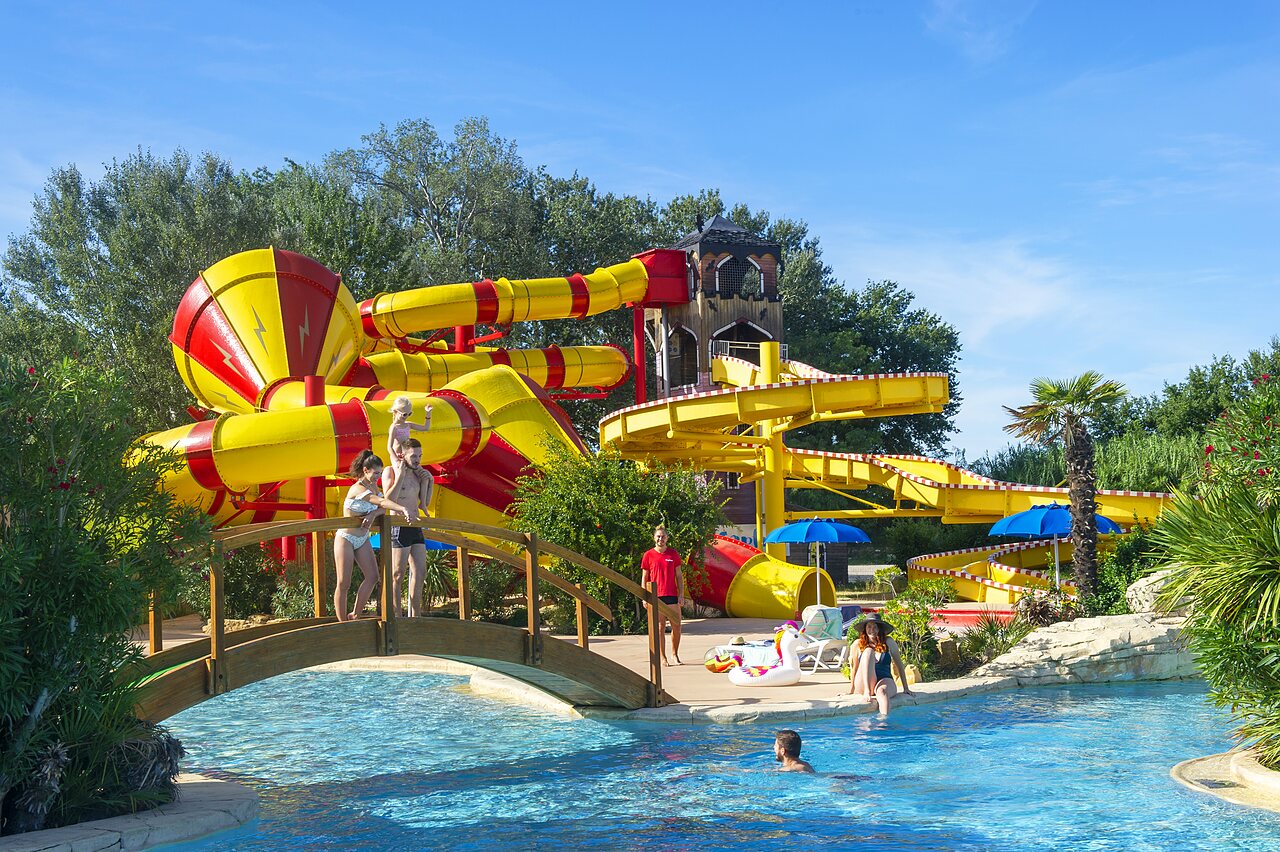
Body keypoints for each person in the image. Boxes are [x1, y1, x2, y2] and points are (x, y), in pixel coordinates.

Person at [334, 450, 412, 622]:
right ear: (366, 470)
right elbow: (382, 502)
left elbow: (381, 506)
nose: (378, 476)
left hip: (362, 538)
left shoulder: (373, 487)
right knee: (344, 582)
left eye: (380, 473)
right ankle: (341, 623)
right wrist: (402, 508)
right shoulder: (358, 488)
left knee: (373, 577)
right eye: (376, 473)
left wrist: (373, 514)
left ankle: (355, 614)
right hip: (345, 538)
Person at [381, 438, 435, 617]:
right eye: (414, 456)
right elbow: (387, 501)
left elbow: (424, 504)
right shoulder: (391, 471)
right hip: (398, 525)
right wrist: (401, 477)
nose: (418, 460)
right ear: (402, 455)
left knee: (420, 570)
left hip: (415, 525)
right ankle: (396, 615)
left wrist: (430, 482)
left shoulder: (418, 474)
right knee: (397, 573)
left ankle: (415, 614)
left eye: (420, 456)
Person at [847, 613, 913, 714]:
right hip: (865, 684)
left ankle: (884, 722)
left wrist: (906, 688)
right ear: (865, 629)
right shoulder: (858, 644)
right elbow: (854, 668)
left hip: (884, 679)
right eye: (869, 626)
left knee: (882, 692)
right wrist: (851, 691)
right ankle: (868, 691)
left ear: (879, 629)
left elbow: (899, 665)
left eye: (875, 627)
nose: (872, 630)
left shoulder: (889, 642)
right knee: (868, 651)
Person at [640, 525, 685, 666]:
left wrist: (681, 594)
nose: (661, 539)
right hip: (656, 596)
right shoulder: (648, 555)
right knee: (660, 627)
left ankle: (674, 654)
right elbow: (645, 578)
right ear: (654, 538)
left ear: (667, 538)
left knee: (676, 625)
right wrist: (644, 596)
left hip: (671, 595)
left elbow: (679, 576)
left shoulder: (673, 554)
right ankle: (663, 657)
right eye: (658, 536)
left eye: (663, 536)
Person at [385, 396, 434, 496]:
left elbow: (426, 428)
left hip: (408, 456)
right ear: (395, 412)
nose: (406, 416)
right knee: (400, 476)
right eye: (404, 414)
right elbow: (389, 447)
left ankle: (423, 504)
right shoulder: (394, 428)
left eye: (409, 414)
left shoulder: (408, 425)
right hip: (398, 457)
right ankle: (396, 497)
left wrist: (428, 413)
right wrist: (397, 460)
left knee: (424, 476)